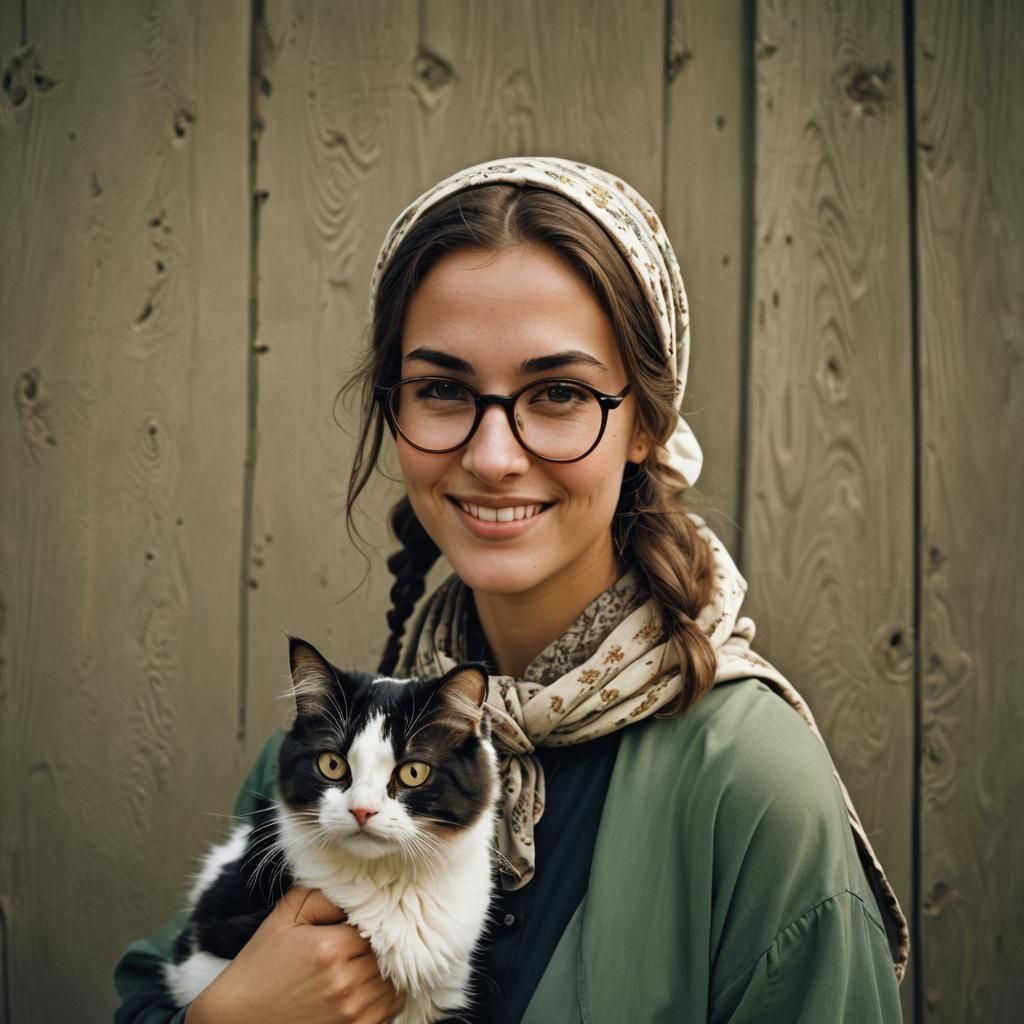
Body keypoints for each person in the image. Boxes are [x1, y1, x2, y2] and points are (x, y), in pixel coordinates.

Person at [115, 157, 909, 1023]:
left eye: (559, 392)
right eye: (444, 390)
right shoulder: (318, 766)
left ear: (644, 421)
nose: (493, 457)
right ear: (395, 411)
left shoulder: (752, 786)